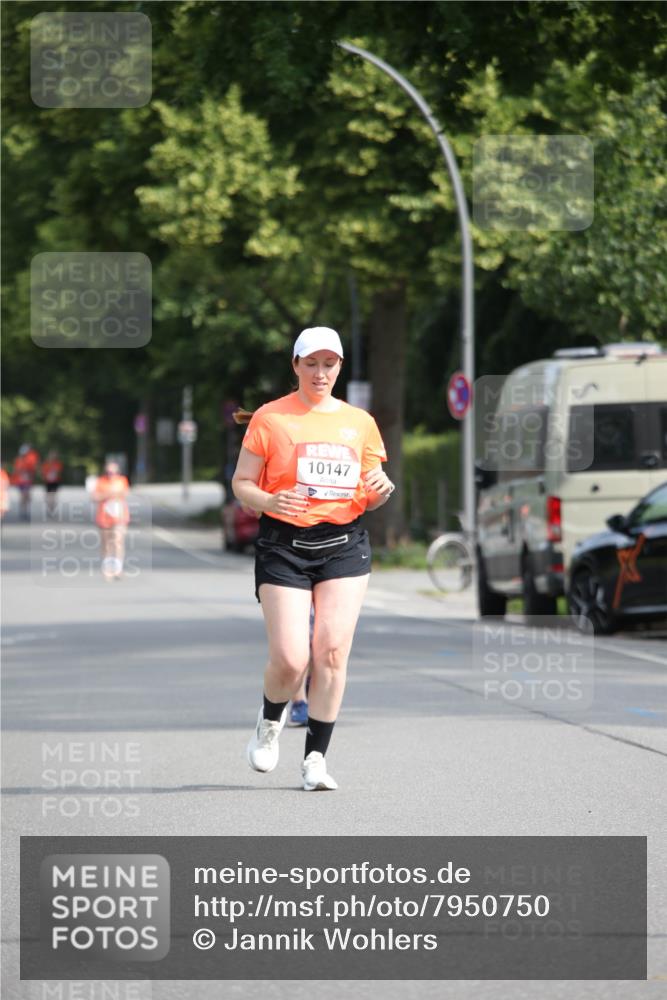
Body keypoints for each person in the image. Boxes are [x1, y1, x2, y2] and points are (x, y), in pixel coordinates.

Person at [231, 326, 395, 791]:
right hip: (284, 545)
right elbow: (241, 483)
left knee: (332, 652)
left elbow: (371, 492)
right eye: (311, 364)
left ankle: (315, 760)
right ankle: (269, 723)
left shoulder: (359, 422)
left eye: (329, 364)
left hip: (344, 544)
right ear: (296, 365)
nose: (320, 373)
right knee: (290, 658)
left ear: (339, 367)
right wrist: (269, 501)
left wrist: (382, 490)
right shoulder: (270, 418)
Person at [93, 460, 130, 580]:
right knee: (107, 544)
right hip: (104, 517)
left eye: (114, 472)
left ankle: (118, 569)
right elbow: (95, 497)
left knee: (118, 542)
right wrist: (109, 494)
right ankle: (107, 568)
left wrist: (113, 494)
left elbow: (125, 493)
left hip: (120, 517)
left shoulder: (122, 480)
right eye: (109, 472)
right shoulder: (101, 481)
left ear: (118, 472)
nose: (111, 475)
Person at [12, 444, 40, 521]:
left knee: (28, 496)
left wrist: (30, 474)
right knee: (23, 495)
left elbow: (32, 470)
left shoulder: (29, 460)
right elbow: (15, 471)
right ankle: (23, 511)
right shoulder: (18, 461)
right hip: (21, 481)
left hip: (27, 481)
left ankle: (26, 511)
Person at [41, 450, 63, 516]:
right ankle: (49, 507)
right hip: (48, 482)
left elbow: (59, 472)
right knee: (48, 496)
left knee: (53, 495)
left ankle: (52, 508)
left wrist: (54, 472)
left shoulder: (58, 464)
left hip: (55, 481)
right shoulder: (46, 463)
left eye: (54, 455)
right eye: (51, 455)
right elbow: (43, 472)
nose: (53, 457)